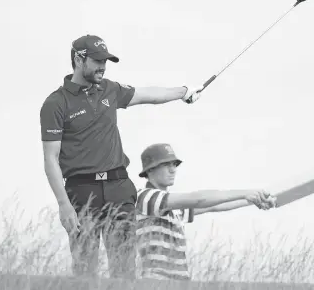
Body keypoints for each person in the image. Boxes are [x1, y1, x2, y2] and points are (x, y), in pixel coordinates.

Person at [39, 34, 204, 279]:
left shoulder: (109, 89)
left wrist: (183, 92)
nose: (103, 67)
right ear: (78, 59)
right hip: (82, 191)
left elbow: (149, 95)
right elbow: (50, 159)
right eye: (96, 61)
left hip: (119, 188)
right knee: (85, 271)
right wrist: (64, 205)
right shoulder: (56, 103)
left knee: (125, 271)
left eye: (105, 61)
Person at [135, 143, 276, 281]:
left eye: (174, 164)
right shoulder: (144, 197)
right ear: (150, 170)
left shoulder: (173, 207)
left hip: (178, 284)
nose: (173, 170)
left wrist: (255, 200)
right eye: (166, 165)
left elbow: (213, 206)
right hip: (154, 283)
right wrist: (246, 193)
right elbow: (198, 200)